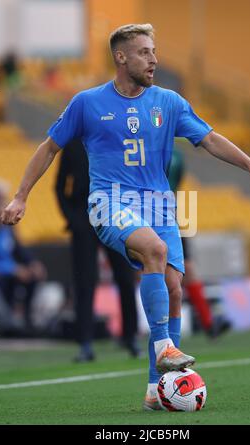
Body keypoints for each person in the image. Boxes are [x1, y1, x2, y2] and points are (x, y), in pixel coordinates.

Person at [1, 24, 250, 411]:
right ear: (121, 57)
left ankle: (155, 387)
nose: (154, 59)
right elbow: (49, 148)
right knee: (153, 249)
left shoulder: (168, 102)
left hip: (160, 205)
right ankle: (166, 347)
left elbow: (210, 138)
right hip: (109, 201)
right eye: (145, 52)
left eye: (154, 51)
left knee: (174, 287)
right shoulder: (87, 103)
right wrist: (20, 196)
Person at [55, 138, 141, 361]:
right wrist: (72, 219)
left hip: (114, 215)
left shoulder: (112, 138)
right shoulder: (73, 145)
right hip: (84, 221)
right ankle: (85, 343)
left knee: (125, 276)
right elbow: (59, 185)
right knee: (85, 281)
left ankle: (130, 337)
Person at [168, 147, 231, 338]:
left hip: (171, 215)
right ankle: (142, 328)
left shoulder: (176, 153)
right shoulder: (159, 148)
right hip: (146, 212)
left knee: (186, 268)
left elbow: (176, 184)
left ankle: (208, 322)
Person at [0, 179, 46, 333]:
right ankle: (6, 324)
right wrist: (13, 270)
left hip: (9, 274)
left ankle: (28, 320)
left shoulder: (7, 228)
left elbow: (20, 249)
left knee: (32, 278)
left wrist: (33, 263)